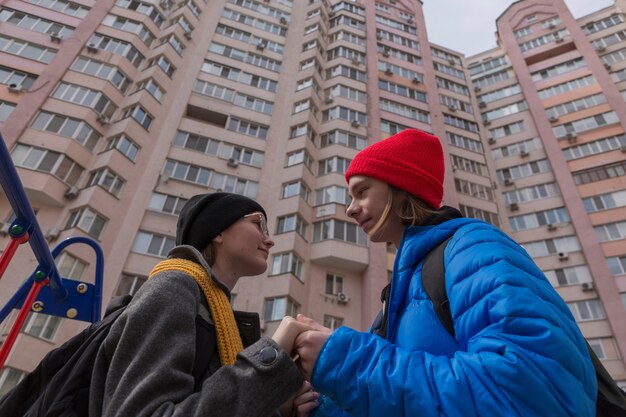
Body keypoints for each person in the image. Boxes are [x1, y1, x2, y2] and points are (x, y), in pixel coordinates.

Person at [292, 129, 597, 416]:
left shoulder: (473, 248)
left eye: (361, 192)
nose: (351, 208)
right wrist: (318, 404)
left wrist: (344, 362)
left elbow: (528, 389)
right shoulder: (401, 288)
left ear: (401, 186)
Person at [89, 192, 319, 417]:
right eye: (258, 224)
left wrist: (278, 406)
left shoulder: (216, 316)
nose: (269, 239)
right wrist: (272, 355)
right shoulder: (172, 288)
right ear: (218, 230)